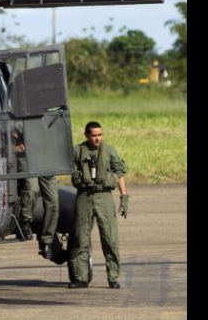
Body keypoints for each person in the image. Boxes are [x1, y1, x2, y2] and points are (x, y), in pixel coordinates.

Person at [68, 121, 129, 289]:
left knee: (110, 238)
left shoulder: (109, 151)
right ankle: (80, 277)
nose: (97, 139)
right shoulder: (78, 150)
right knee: (81, 237)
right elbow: (63, 162)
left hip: (104, 197)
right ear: (87, 135)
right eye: (94, 135)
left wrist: (124, 197)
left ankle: (113, 276)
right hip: (84, 196)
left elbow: (120, 173)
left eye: (100, 135)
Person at [13, 124, 59, 260]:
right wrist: (17, 145)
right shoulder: (20, 116)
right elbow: (11, 134)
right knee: (32, 188)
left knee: (53, 202)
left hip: (46, 158)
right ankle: (25, 221)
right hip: (28, 158)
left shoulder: (50, 119)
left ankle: (47, 241)